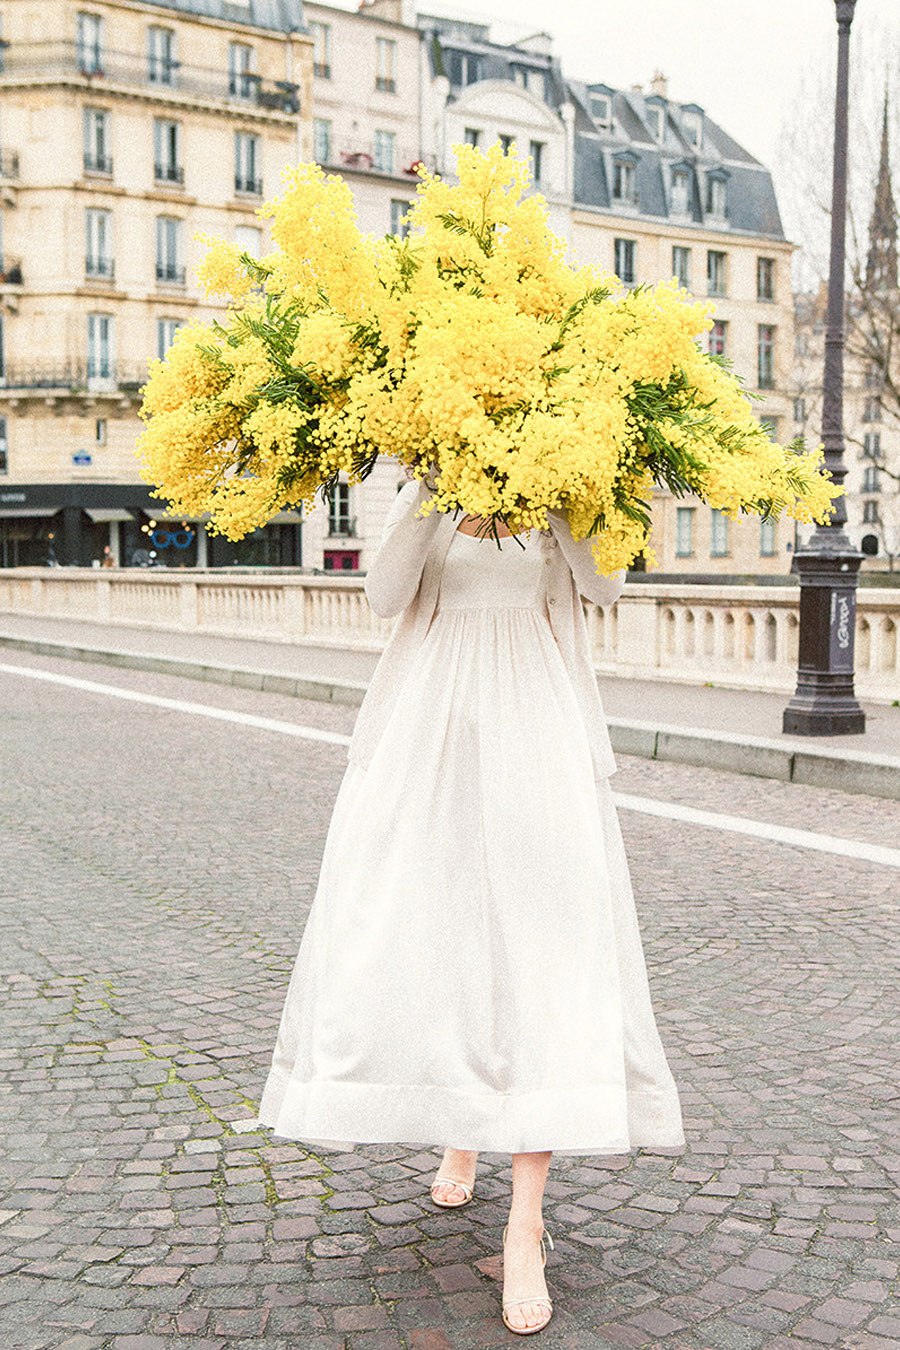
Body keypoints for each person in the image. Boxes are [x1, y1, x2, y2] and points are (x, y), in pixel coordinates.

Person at [258, 469, 684, 1336]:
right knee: (431, 932)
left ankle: (525, 1223)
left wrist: (570, 494)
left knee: (546, 949)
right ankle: (464, 1127)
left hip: (537, 729)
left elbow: (607, 584)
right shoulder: (434, 491)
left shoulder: (564, 485)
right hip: (433, 732)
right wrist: (428, 491)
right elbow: (383, 596)